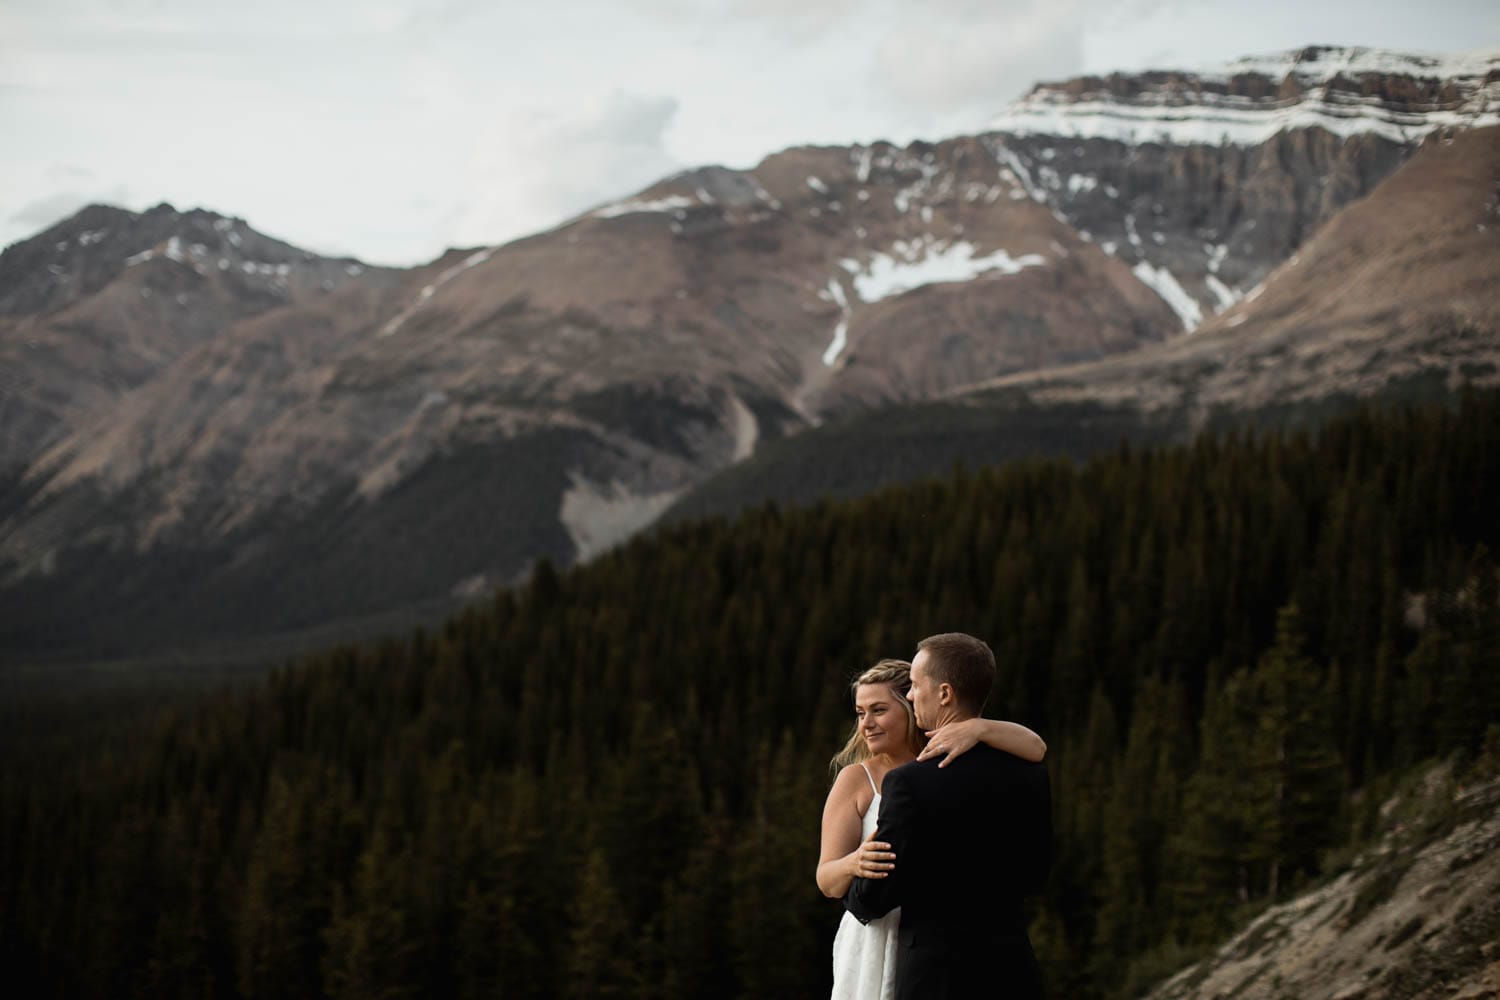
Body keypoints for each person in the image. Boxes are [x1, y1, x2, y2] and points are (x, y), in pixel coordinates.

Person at [818, 657, 1047, 1000]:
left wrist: (979, 728)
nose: (866, 724)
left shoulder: (946, 759)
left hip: (935, 936)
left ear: (910, 705)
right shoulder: (854, 779)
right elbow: (826, 880)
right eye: (860, 712)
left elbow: (1036, 746)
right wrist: (853, 863)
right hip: (875, 935)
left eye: (879, 710)